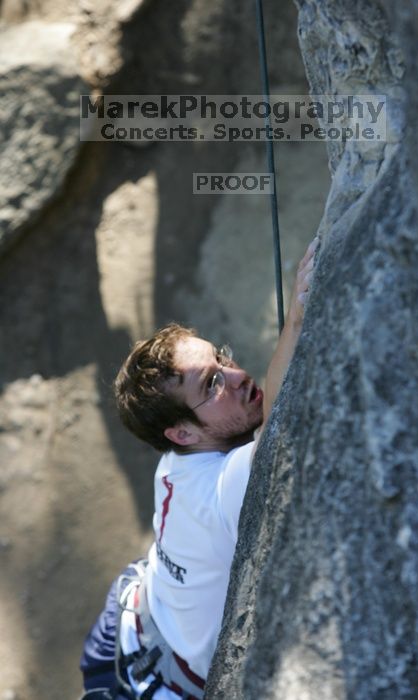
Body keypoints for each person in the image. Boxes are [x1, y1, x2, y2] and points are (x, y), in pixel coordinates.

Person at [79, 237, 319, 700]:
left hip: (127, 618)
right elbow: (278, 426)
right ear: (182, 433)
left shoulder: (177, 458)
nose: (237, 375)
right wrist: (295, 319)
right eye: (212, 383)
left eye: (221, 358)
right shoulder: (219, 490)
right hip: (149, 683)